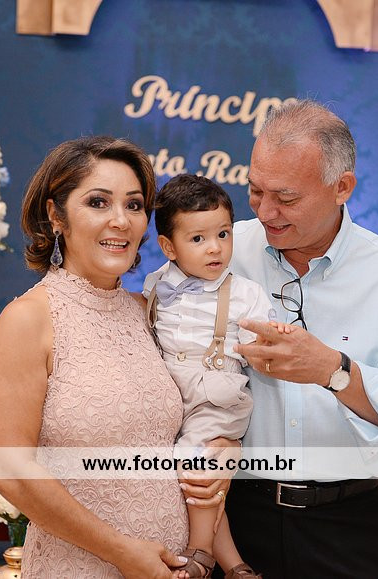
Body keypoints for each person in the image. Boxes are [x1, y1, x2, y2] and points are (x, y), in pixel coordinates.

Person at [183, 100, 378, 578]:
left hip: (349, 528)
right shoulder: (220, 251)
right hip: (233, 521)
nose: (266, 212)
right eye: (255, 191)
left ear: (341, 187)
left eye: (286, 198)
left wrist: (335, 371)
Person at [0, 136, 190, 578]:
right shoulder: (28, 319)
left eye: (134, 205)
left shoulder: (144, 311)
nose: (121, 221)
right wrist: (121, 552)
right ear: (56, 216)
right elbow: (9, 471)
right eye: (98, 202)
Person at [142, 174, 276, 579]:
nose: (215, 247)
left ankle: (200, 552)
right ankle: (235, 564)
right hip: (171, 389)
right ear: (169, 247)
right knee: (184, 477)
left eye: (223, 234)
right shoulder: (156, 284)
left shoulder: (245, 293)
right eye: (198, 239)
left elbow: (261, 346)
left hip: (215, 392)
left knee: (198, 465)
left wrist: (269, 341)